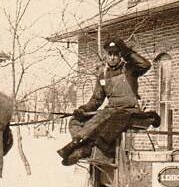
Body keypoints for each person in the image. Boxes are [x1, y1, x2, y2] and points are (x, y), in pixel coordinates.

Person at [57, 38, 153, 166]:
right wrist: (83, 109)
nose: (112, 58)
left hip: (129, 111)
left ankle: (79, 146)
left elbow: (146, 65)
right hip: (111, 111)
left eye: (116, 54)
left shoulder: (130, 69)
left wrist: (127, 52)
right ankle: (83, 146)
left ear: (120, 55)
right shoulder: (102, 75)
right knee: (76, 120)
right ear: (106, 55)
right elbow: (96, 100)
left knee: (105, 119)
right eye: (110, 54)